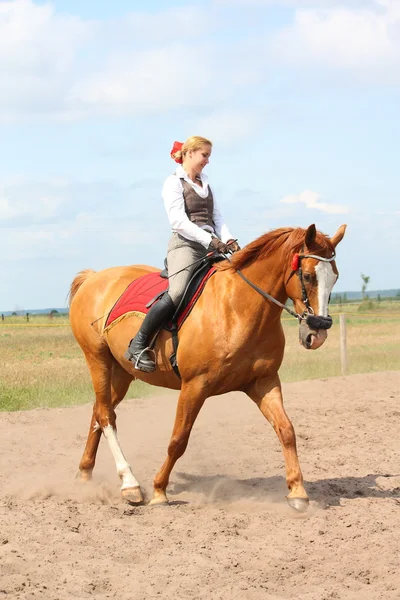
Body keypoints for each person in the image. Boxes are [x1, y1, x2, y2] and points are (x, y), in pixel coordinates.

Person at [125, 135, 240, 372]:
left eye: (209, 156)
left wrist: (228, 238)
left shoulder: (207, 184)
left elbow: (217, 218)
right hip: (185, 246)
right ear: (189, 154)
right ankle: (138, 344)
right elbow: (178, 221)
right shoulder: (173, 183)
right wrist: (212, 240)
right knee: (177, 293)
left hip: (212, 246)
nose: (207, 161)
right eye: (204, 155)